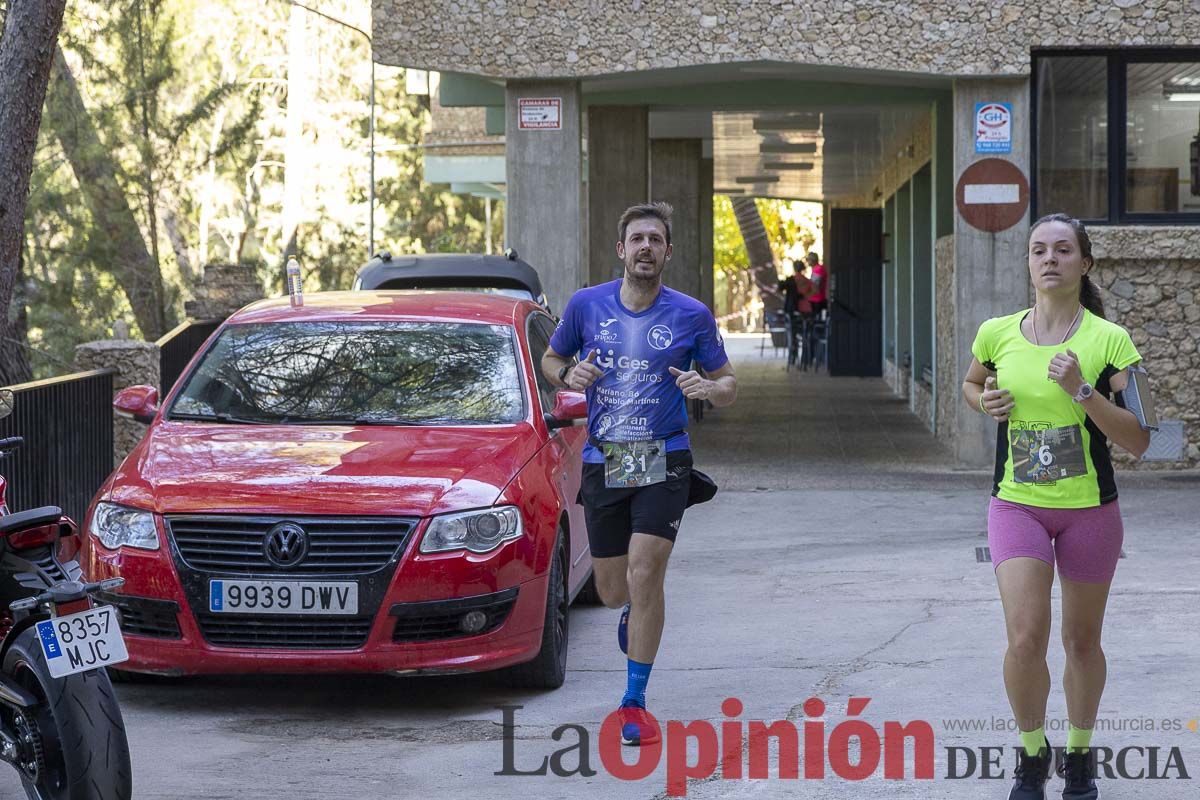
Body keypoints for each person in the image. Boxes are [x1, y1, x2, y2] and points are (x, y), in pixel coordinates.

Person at [961, 213, 1155, 800]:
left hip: (1090, 509)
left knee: (1081, 642)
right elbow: (973, 383)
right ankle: (1029, 755)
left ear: (1084, 264)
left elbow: (1144, 438)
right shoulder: (996, 332)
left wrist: (1083, 390)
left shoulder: (1109, 340)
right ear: (1028, 262)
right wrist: (984, 400)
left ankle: (1077, 753)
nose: (1050, 258)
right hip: (1016, 504)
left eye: (1063, 250)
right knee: (1024, 637)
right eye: (1039, 249)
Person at [542, 201, 737, 747]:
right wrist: (568, 370)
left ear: (667, 252)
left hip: (664, 458)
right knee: (610, 591)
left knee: (647, 571)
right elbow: (550, 362)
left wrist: (709, 389)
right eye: (637, 239)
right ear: (621, 250)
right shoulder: (585, 306)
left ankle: (633, 701)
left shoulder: (692, 315)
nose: (646, 247)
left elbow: (728, 384)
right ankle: (631, 608)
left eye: (656, 239)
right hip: (606, 459)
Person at [776, 260, 814, 367]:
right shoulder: (807, 281)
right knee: (806, 334)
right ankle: (806, 358)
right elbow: (814, 291)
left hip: (792, 312)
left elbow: (779, 288)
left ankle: (793, 357)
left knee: (792, 334)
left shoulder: (790, 280)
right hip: (805, 312)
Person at [805, 251, 828, 317]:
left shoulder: (818, 269)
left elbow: (814, 284)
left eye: (808, 260)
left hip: (817, 300)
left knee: (817, 320)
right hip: (816, 299)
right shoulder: (816, 269)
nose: (807, 262)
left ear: (813, 260)